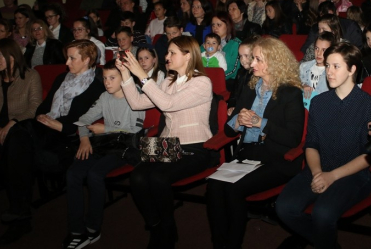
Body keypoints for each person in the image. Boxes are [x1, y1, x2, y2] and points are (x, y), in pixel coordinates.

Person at [276, 42, 371, 249]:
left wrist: (331, 176)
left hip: (353, 175)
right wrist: (317, 173)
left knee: (322, 214)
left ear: (352, 69)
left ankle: (318, 239)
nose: (329, 72)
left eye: (336, 66)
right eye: (327, 66)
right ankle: (325, 242)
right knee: (284, 207)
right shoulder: (319, 102)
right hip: (319, 168)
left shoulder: (370, 106)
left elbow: (369, 155)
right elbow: (312, 143)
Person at [0, 40, 104, 245]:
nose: (67, 62)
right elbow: (42, 108)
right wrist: (43, 119)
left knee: (17, 137)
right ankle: (19, 213)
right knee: (18, 135)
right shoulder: (61, 78)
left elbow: (78, 120)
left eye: (72, 58)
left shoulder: (96, 86)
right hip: (46, 130)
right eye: (67, 57)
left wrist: (55, 124)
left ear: (87, 60)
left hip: (68, 139)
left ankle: (19, 213)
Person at [206, 37, 304, 249]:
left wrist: (262, 123)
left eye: (257, 59)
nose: (251, 64)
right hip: (248, 154)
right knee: (213, 185)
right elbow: (228, 129)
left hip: (276, 158)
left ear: (274, 62)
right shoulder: (251, 87)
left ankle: (232, 245)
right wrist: (237, 120)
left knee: (233, 190)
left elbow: (293, 138)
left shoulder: (290, 92)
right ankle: (219, 244)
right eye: (252, 59)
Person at [116, 35, 213, 248]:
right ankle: (156, 225)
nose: (166, 57)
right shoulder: (168, 81)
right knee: (138, 176)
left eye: (172, 53)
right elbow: (136, 103)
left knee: (158, 178)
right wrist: (125, 74)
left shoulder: (202, 82)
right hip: (168, 145)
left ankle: (168, 231)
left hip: (195, 147)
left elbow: (168, 104)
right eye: (167, 52)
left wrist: (142, 75)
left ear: (188, 56)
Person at [63, 60, 146, 249]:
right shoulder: (104, 97)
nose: (107, 82)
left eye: (112, 78)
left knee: (94, 174)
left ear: (124, 78)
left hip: (124, 148)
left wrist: (106, 128)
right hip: (104, 144)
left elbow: (135, 131)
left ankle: (93, 227)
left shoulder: (135, 97)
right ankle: (77, 230)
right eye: (105, 78)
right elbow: (83, 119)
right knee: (73, 174)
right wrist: (84, 138)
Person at [0, 39, 42, 144]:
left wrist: (12, 123)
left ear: (13, 56)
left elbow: (35, 107)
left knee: (16, 138)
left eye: (1, 56)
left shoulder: (30, 76)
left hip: (19, 125)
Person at [299, 32, 337, 105]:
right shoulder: (304, 67)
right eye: (316, 48)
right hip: (304, 106)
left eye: (324, 50)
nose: (319, 53)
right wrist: (303, 85)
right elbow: (294, 84)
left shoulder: (333, 71)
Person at [227, 35, 259, 116]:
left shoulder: (259, 75)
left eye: (246, 55)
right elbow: (233, 95)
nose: (242, 60)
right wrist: (231, 106)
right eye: (240, 56)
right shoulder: (241, 72)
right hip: (239, 111)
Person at [210, 12, 242, 85]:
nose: (215, 28)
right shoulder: (208, 43)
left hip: (228, 82)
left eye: (219, 25)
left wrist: (214, 78)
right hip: (208, 80)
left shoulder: (236, 44)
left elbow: (233, 70)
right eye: (213, 25)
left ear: (227, 26)